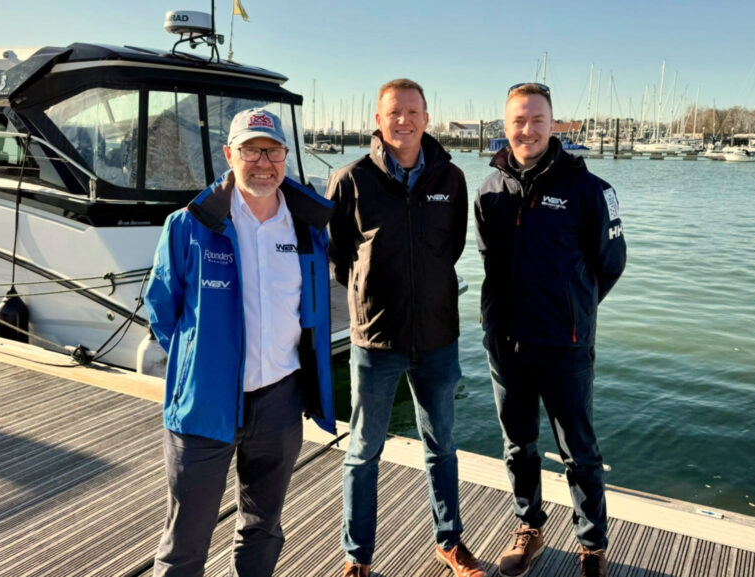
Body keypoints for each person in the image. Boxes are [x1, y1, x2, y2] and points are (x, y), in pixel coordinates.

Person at [145, 107, 335, 577]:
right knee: (186, 537)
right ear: (230, 155)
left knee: (263, 526)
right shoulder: (190, 224)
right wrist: (201, 364)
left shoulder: (307, 228)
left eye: (272, 150)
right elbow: (161, 308)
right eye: (251, 150)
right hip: (205, 405)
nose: (263, 162)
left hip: (280, 401)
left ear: (286, 157)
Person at [326, 79, 480, 577]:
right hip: (376, 339)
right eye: (394, 112)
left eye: (413, 112)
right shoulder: (351, 179)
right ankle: (357, 557)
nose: (404, 121)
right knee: (363, 450)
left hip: (437, 337)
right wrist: (374, 295)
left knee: (442, 446)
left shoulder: (451, 180)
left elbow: (450, 249)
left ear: (426, 119)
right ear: (378, 119)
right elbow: (340, 258)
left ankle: (449, 540)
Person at [474, 83, 626, 577]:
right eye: (518, 120)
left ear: (553, 124)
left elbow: (610, 263)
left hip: (565, 344)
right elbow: (489, 261)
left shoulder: (590, 190)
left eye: (538, 120)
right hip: (506, 341)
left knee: (578, 451)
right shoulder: (489, 190)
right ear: (506, 125)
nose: (527, 129)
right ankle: (529, 526)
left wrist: (573, 311)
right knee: (518, 444)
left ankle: (592, 543)